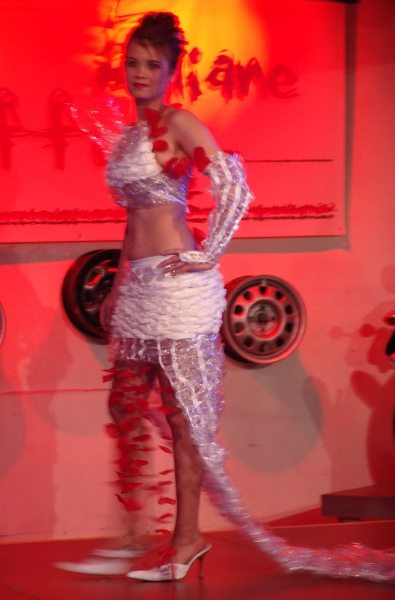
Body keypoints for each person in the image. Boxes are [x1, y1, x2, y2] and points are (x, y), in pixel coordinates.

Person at [57, 12, 395, 584]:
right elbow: (133, 219)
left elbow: (235, 186)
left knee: (182, 416)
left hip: (178, 289)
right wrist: (117, 283)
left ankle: (185, 539)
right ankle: (132, 536)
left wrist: (207, 253)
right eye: (132, 63)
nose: (140, 74)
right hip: (139, 286)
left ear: (171, 71)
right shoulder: (132, 135)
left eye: (152, 65)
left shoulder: (180, 122)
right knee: (124, 404)